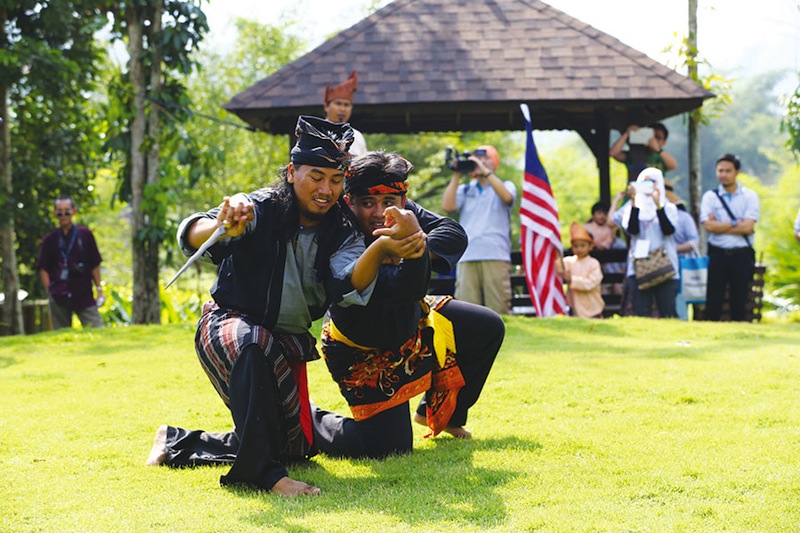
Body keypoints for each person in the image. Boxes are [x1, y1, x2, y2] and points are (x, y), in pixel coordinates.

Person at [145, 117, 423, 497]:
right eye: (316, 176)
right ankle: (265, 477)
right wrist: (223, 224)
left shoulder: (342, 230)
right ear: (292, 172)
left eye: (336, 180)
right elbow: (195, 231)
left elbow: (347, 285)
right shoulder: (259, 207)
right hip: (228, 327)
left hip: (285, 343)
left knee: (293, 449)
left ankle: (176, 441)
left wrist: (379, 249)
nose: (325, 189)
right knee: (252, 342)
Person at [312, 151, 504, 459]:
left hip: (412, 323)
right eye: (368, 202)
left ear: (403, 198)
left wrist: (415, 243)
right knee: (389, 448)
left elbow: (453, 233)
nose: (379, 212)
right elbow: (401, 287)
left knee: (486, 326)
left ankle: (446, 414)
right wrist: (403, 249)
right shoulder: (339, 226)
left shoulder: (402, 211)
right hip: (364, 349)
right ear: (350, 201)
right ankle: (303, 418)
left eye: (389, 201)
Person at [441, 145, 516, 315]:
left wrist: (486, 173)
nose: (481, 162)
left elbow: (507, 198)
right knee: (468, 311)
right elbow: (447, 206)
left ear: (495, 163)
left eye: (486, 158)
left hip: (495, 254)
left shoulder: (506, 185)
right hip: (467, 255)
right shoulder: (466, 189)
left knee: (498, 308)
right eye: (478, 159)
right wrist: (457, 174)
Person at [612, 167, 680, 318]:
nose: (649, 186)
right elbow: (632, 230)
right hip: (639, 267)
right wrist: (634, 202)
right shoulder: (631, 209)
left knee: (668, 311)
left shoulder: (670, 208)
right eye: (645, 183)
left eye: (653, 182)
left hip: (665, 265)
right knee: (642, 312)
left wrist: (658, 206)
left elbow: (668, 230)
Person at [700, 153, 759, 322]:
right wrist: (736, 224)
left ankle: (739, 330)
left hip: (742, 253)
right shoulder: (710, 197)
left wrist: (721, 226)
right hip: (718, 252)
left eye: (728, 171)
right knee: (714, 297)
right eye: (720, 171)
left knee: (740, 297)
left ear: (736, 172)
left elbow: (749, 226)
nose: (723, 174)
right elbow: (708, 226)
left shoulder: (750, 196)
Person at [36, 195, 104, 330]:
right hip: (59, 293)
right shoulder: (50, 239)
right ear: (55, 214)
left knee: (96, 328)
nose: (63, 215)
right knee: (62, 332)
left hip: (83, 291)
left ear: (74, 211)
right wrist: (50, 290)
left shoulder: (85, 235)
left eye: (67, 211)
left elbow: (94, 264)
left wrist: (99, 289)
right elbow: (43, 267)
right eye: (59, 211)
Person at [664, 180, 701, 320]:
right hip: (656, 265)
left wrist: (672, 249)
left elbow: (694, 242)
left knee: (679, 296)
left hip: (680, 264)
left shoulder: (684, 217)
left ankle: (681, 321)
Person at [555, 222, 604, 318]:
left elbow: (590, 283)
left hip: (593, 308)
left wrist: (572, 280)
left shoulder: (593, 263)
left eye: (582, 246)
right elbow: (559, 268)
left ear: (590, 247)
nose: (579, 249)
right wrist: (557, 253)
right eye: (575, 246)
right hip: (574, 307)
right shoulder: (569, 261)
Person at [609, 123, 677, 181]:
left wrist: (658, 150)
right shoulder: (636, 153)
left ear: (663, 142)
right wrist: (627, 133)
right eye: (651, 136)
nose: (653, 139)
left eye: (657, 137)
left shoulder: (662, 157)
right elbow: (613, 153)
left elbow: (673, 165)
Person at [323, 69, 367, 156]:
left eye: (346, 105)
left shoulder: (357, 136)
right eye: (338, 104)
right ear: (326, 106)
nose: (342, 109)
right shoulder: (317, 132)